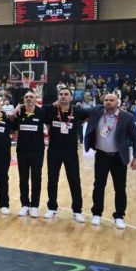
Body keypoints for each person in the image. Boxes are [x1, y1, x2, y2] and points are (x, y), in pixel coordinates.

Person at [84, 93, 136, 229]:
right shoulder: (96, 112)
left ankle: (119, 216)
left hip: (118, 157)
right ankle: (96, 213)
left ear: (118, 102)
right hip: (101, 156)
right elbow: (78, 110)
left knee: (120, 188)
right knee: (98, 186)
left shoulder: (127, 117)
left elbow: (135, 138)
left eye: (111, 100)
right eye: (106, 100)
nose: (108, 102)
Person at [42, 88, 90, 222]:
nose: (63, 96)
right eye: (61, 94)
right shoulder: (51, 110)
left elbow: (95, 112)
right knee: (52, 180)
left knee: (74, 181)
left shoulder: (78, 111)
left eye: (66, 94)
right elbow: (36, 107)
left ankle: (77, 210)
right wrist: (20, 106)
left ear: (71, 98)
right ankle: (52, 208)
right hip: (54, 151)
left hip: (71, 152)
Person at [13, 92, 47, 218]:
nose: (28, 98)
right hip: (22, 151)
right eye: (26, 97)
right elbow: (13, 127)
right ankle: (25, 205)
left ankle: (34, 206)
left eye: (31, 97)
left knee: (36, 178)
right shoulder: (19, 112)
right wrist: (18, 107)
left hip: (37, 151)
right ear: (23, 100)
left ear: (35, 99)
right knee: (23, 178)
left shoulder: (42, 112)